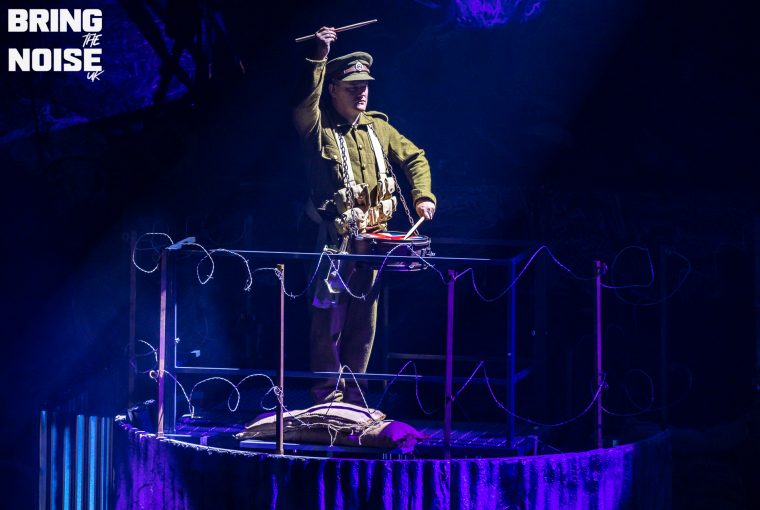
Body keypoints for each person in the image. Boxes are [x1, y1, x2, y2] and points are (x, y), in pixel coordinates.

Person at [293, 26, 436, 405]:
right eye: (352, 87)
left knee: (364, 324)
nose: (361, 92)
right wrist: (319, 57)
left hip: (371, 244)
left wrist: (423, 196)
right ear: (333, 89)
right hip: (332, 245)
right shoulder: (317, 127)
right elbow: (306, 102)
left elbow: (415, 157)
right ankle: (327, 399)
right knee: (327, 323)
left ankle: (355, 401)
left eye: (365, 86)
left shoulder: (378, 128)